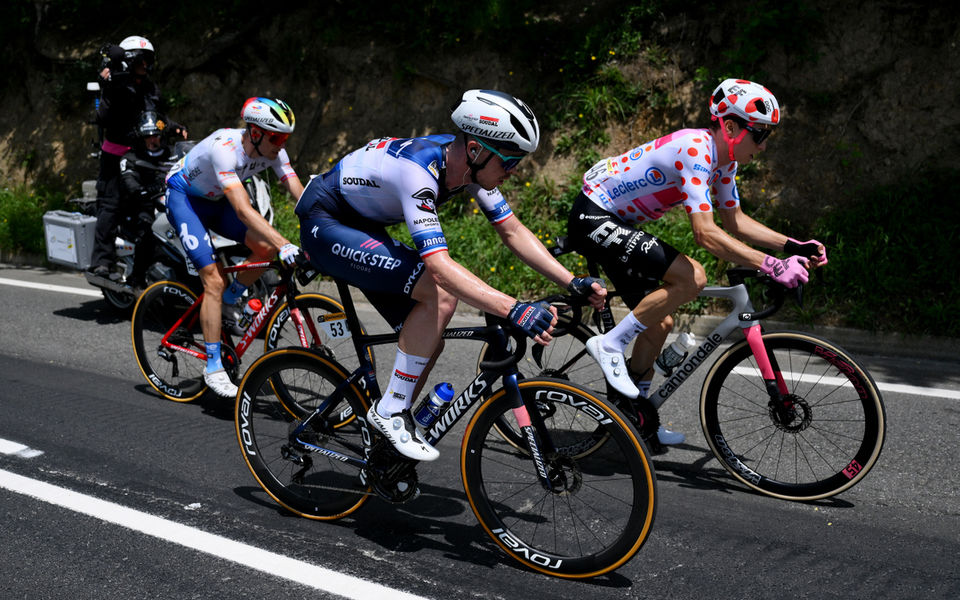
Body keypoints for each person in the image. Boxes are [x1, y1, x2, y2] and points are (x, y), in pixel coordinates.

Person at [295, 89, 606, 462]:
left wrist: (569, 281)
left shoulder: (466, 166)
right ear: (475, 150)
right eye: (509, 161)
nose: (513, 171)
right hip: (326, 222)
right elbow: (440, 268)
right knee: (438, 294)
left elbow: (512, 231)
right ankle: (391, 411)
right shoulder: (418, 172)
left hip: (365, 225)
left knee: (431, 339)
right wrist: (513, 308)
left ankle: (387, 432)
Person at [566, 78, 828, 448]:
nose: (764, 145)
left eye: (769, 136)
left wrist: (791, 244)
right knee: (693, 278)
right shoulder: (696, 148)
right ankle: (610, 344)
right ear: (732, 127)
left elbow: (735, 222)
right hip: (594, 215)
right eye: (760, 134)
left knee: (661, 324)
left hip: (620, 223)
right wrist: (772, 265)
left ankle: (635, 417)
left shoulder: (724, 164)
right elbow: (705, 233)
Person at [164, 97, 305, 398]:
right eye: (277, 137)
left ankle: (230, 301)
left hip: (215, 202)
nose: (281, 144)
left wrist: (321, 225)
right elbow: (242, 211)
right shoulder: (225, 150)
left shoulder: (273, 151)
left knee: (264, 250)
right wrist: (285, 244)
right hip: (185, 199)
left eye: (285, 138)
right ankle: (213, 367)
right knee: (213, 279)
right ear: (255, 132)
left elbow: (299, 195)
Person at [89, 35, 186, 280]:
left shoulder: (151, 87)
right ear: (130, 60)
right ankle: (102, 261)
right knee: (110, 205)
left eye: (148, 60)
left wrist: (173, 127)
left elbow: (157, 118)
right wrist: (109, 86)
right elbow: (104, 117)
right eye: (141, 60)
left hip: (146, 155)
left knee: (156, 202)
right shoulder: (116, 85)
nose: (146, 65)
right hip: (116, 156)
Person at [117, 110, 174, 287]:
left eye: (155, 135)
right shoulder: (131, 158)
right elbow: (128, 180)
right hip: (141, 206)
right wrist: (141, 190)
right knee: (148, 233)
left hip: (170, 203)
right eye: (148, 136)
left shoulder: (172, 154)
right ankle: (137, 278)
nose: (152, 140)